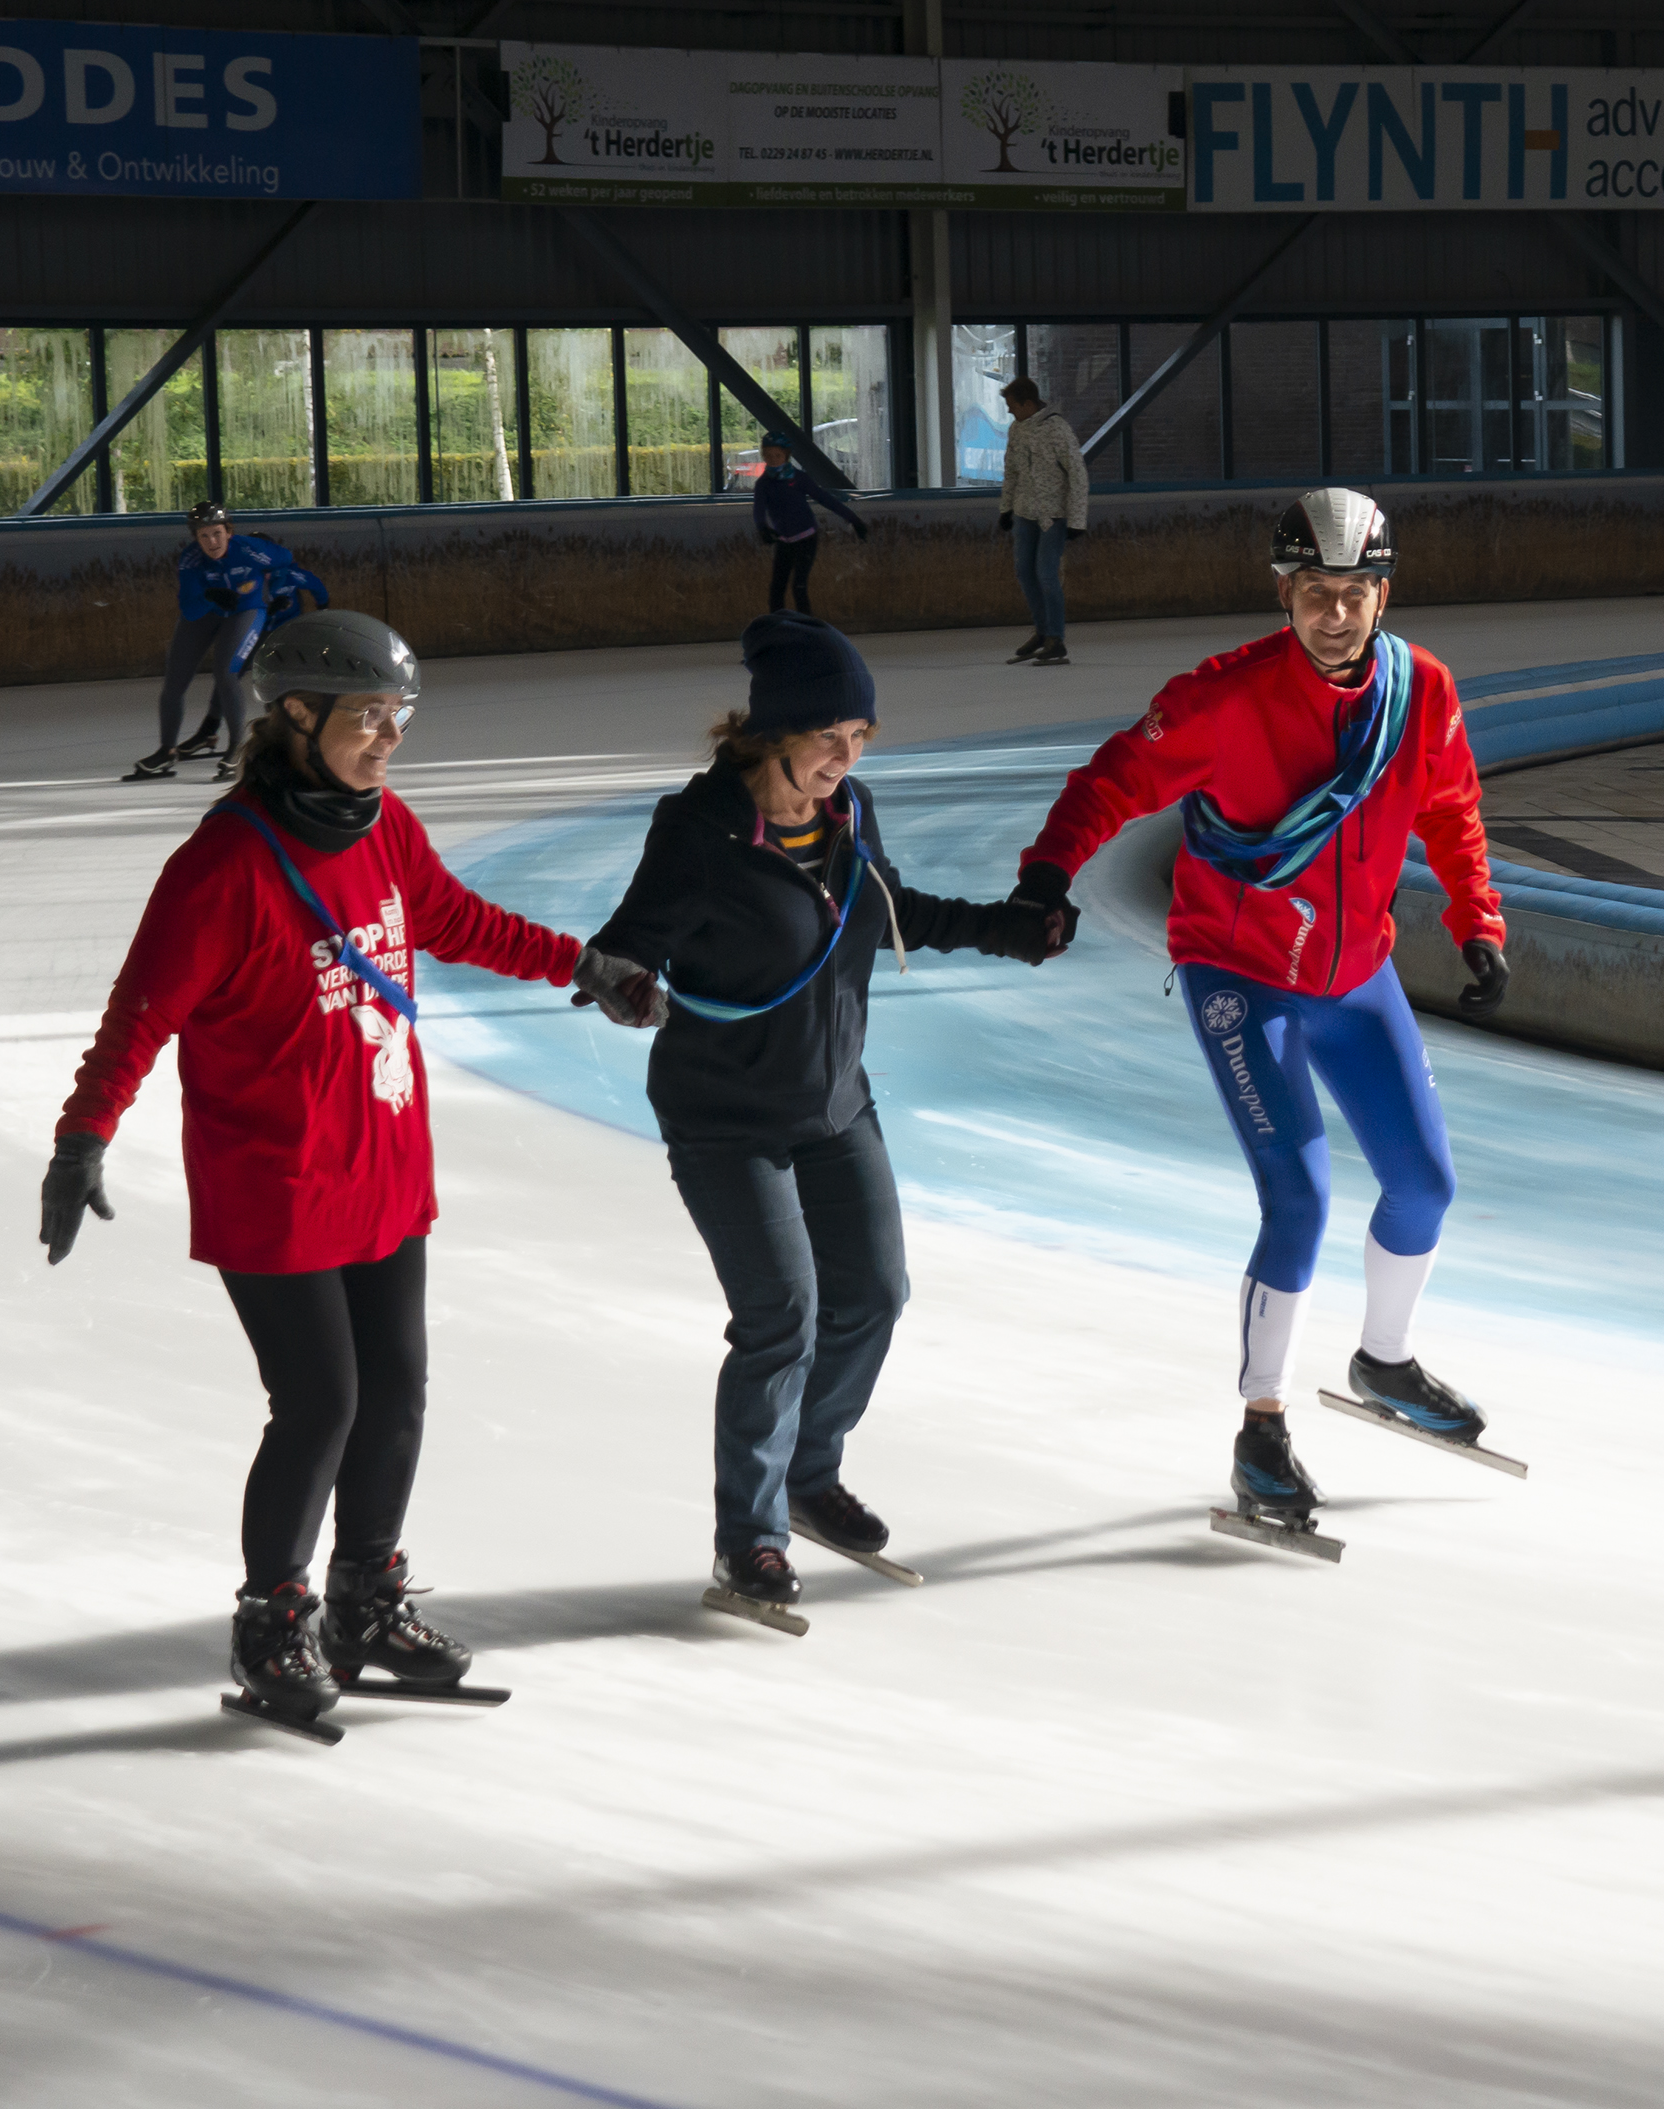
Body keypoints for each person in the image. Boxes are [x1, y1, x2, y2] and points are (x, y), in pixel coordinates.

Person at [43, 609, 666, 1734]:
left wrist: (584, 965)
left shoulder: (382, 828)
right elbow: (143, 1013)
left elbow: (453, 920)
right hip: (272, 1178)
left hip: (379, 1159)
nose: (389, 738)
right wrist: (83, 1136)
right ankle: (271, 1620)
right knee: (319, 1402)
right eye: (369, 717)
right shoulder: (222, 865)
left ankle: (363, 1602)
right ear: (294, 715)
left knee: (396, 1392)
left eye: (399, 717)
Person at [1008, 489, 1510, 1537]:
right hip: (1240, 972)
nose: (1335, 615)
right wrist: (1045, 875)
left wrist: (1480, 924)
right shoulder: (1221, 700)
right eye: (1314, 594)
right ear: (1283, 593)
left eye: (1356, 594)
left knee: (1424, 1182)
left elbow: (1452, 808)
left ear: (1386, 592)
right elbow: (1113, 778)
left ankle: (1384, 1361)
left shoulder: (1421, 692)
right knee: (1300, 1200)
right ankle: (1261, 1427)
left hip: (1352, 973)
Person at [585, 614, 1062, 1621]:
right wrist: (625, 981)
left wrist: (1004, 932)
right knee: (781, 1319)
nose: (845, 760)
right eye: (827, 740)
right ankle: (749, 1539)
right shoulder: (699, 831)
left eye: (861, 740)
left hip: (836, 1101)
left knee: (875, 1296)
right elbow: (627, 940)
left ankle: (809, 1470)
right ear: (771, 736)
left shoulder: (849, 815)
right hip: (725, 1119)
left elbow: (887, 909)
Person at [127, 502, 329, 784]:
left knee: (227, 673)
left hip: (246, 610)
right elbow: (189, 608)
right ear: (195, 538)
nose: (212, 542)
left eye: (217, 533)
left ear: (229, 531)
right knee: (174, 681)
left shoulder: (249, 550)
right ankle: (166, 750)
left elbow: (285, 558)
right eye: (204, 536)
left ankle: (237, 747)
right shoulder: (191, 560)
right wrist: (210, 595)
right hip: (207, 611)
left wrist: (268, 587)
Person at [996, 376, 1088, 667]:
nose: (1010, 412)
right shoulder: (1016, 430)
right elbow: (1011, 470)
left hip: (1053, 515)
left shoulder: (1057, 429)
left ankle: (1056, 639)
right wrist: (1006, 508)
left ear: (1028, 403)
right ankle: (1042, 632)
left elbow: (1077, 473)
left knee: (1046, 573)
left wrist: (1077, 519)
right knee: (1024, 571)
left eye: (1012, 406)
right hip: (1025, 512)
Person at [749, 432, 870, 615]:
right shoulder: (763, 484)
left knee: (799, 586)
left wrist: (854, 520)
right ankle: (777, 628)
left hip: (806, 538)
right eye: (768, 456)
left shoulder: (798, 478)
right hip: (784, 541)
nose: (773, 460)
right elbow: (758, 510)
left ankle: (808, 627)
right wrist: (762, 528)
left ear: (786, 456)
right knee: (776, 588)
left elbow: (825, 499)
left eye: (777, 455)